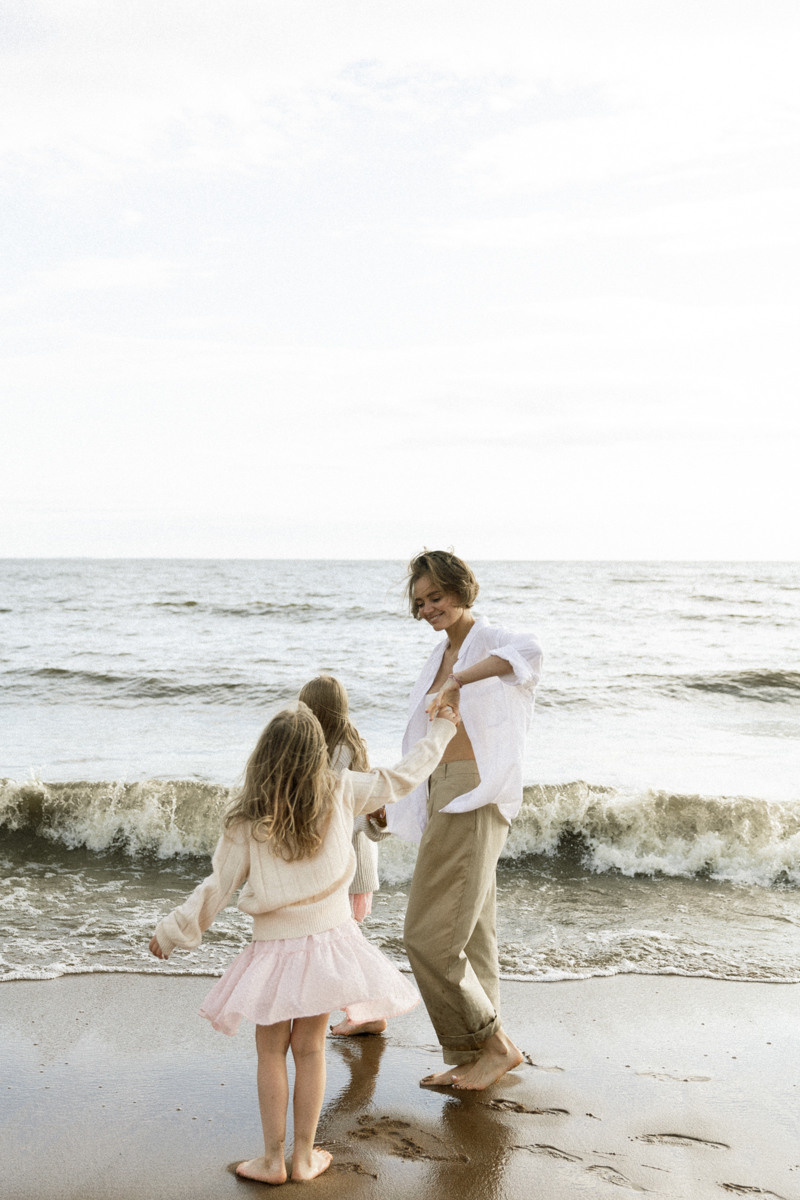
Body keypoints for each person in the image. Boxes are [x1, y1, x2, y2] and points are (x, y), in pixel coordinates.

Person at [149, 700, 458, 1183]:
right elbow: (402, 777)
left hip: (274, 952)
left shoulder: (247, 818)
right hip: (329, 945)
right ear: (319, 755)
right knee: (310, 1049)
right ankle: (305, 1158)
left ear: (262, 757)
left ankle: (272, 1161)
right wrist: (441, 728)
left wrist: (172, 932)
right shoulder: (340, 790)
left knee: (270, 1051)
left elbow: (217, 888)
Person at [388, 549, 543, 1091]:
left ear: (460, 589)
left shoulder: (487, 640)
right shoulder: (439, 654)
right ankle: (474, 1055)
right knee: (473, 934)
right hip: (441, 789)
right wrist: (395, 795)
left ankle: (495, 1046)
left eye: (436, 596)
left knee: (427, 936)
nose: (428, 608)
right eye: (420, 602)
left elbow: (531, 653)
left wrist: (457, 680)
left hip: (472, 791)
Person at [298, 674, 392, 1037]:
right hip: (350, 862)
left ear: (316, 710)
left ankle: (369, 1013)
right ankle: (364, 1014)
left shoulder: (339, 752)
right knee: (344, 945)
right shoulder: (344, 744)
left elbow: (339, 810)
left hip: (347, 864)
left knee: (343, 946)